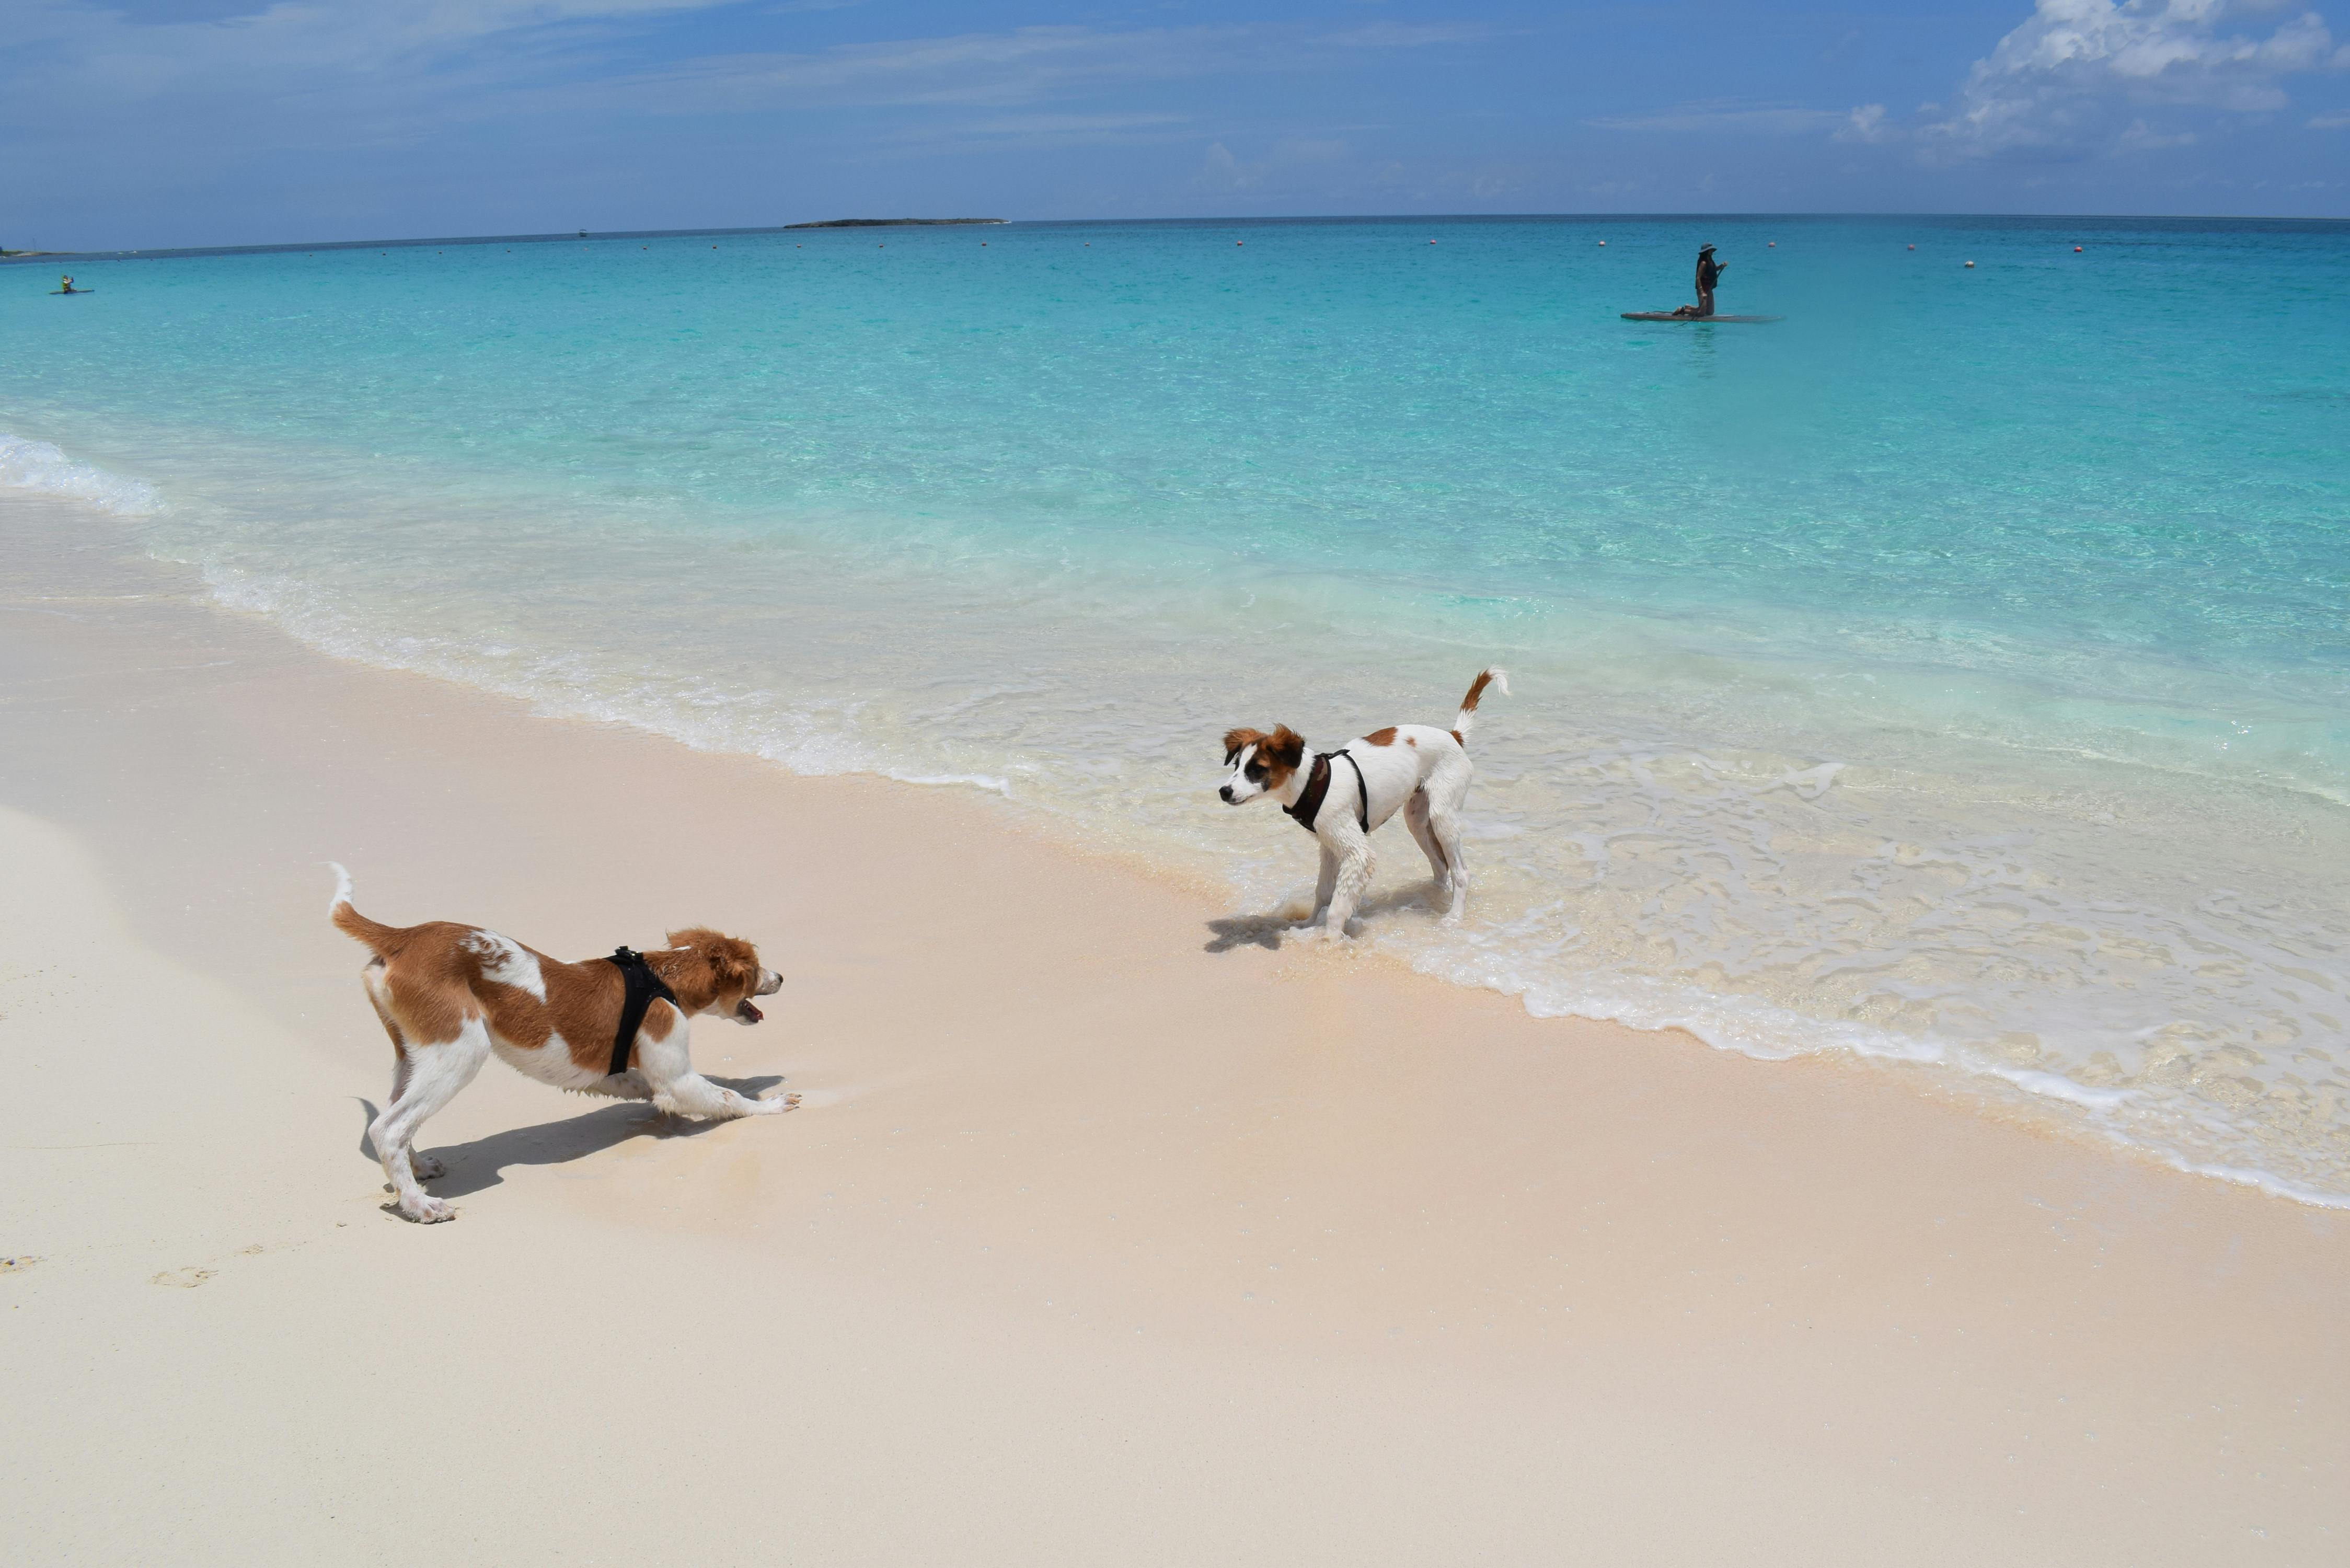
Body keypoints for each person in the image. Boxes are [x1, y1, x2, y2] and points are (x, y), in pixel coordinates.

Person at [1693, 244, 1725, 317]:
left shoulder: (1710, 261)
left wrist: (1722, 266)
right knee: (1701, 313)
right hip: (1702, 290)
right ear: (1707, 251)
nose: (1712, 251)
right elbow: (1698, 278)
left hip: (1709, 289)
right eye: (1711, 250)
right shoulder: (1703, 263)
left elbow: (1715, 269)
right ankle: (1682, 310)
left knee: (1710, 312)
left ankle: (1689, 307)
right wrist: (1702, 292)